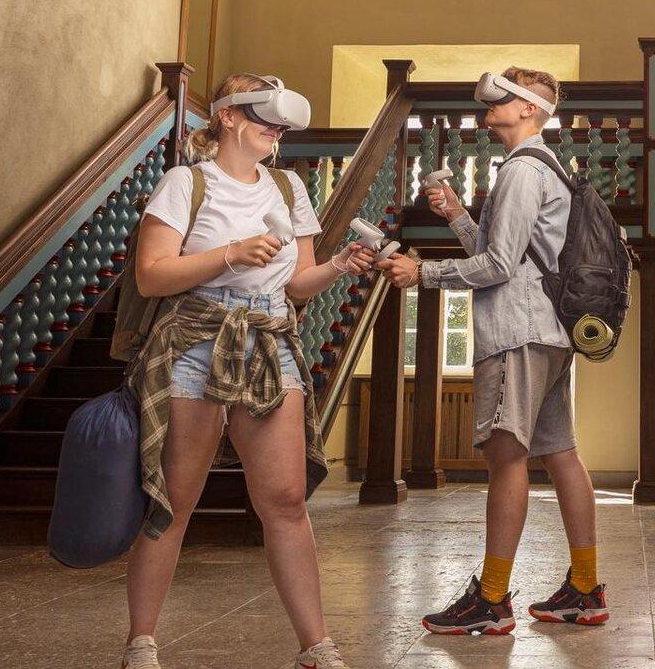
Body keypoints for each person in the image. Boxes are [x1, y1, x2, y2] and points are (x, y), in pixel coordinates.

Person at [348, 67, 607, 634]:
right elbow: (505, 252)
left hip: (516, 332)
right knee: (560, 451)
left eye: (504, 100)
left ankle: (491, 599)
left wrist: (423, 272)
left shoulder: (520, 171)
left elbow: (497, 266)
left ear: (530, 111)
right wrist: (459, 217)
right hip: (549, 331)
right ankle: (584, 589)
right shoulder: (546, 168)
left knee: (505, 457)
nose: (491, 107)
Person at [120, 73, 358, 669]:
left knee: (284, 499)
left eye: (280, 123)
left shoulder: (287, 187)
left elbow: (298, 283)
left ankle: (315, 646)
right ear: (228, 116)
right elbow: (152, 275)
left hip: (270, 340)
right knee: (175, 498)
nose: (275, 129)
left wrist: (338, 266)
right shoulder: (186, 184)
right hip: (196, 339)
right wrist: (229, 253)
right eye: (264, 115)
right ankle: (141, 642)